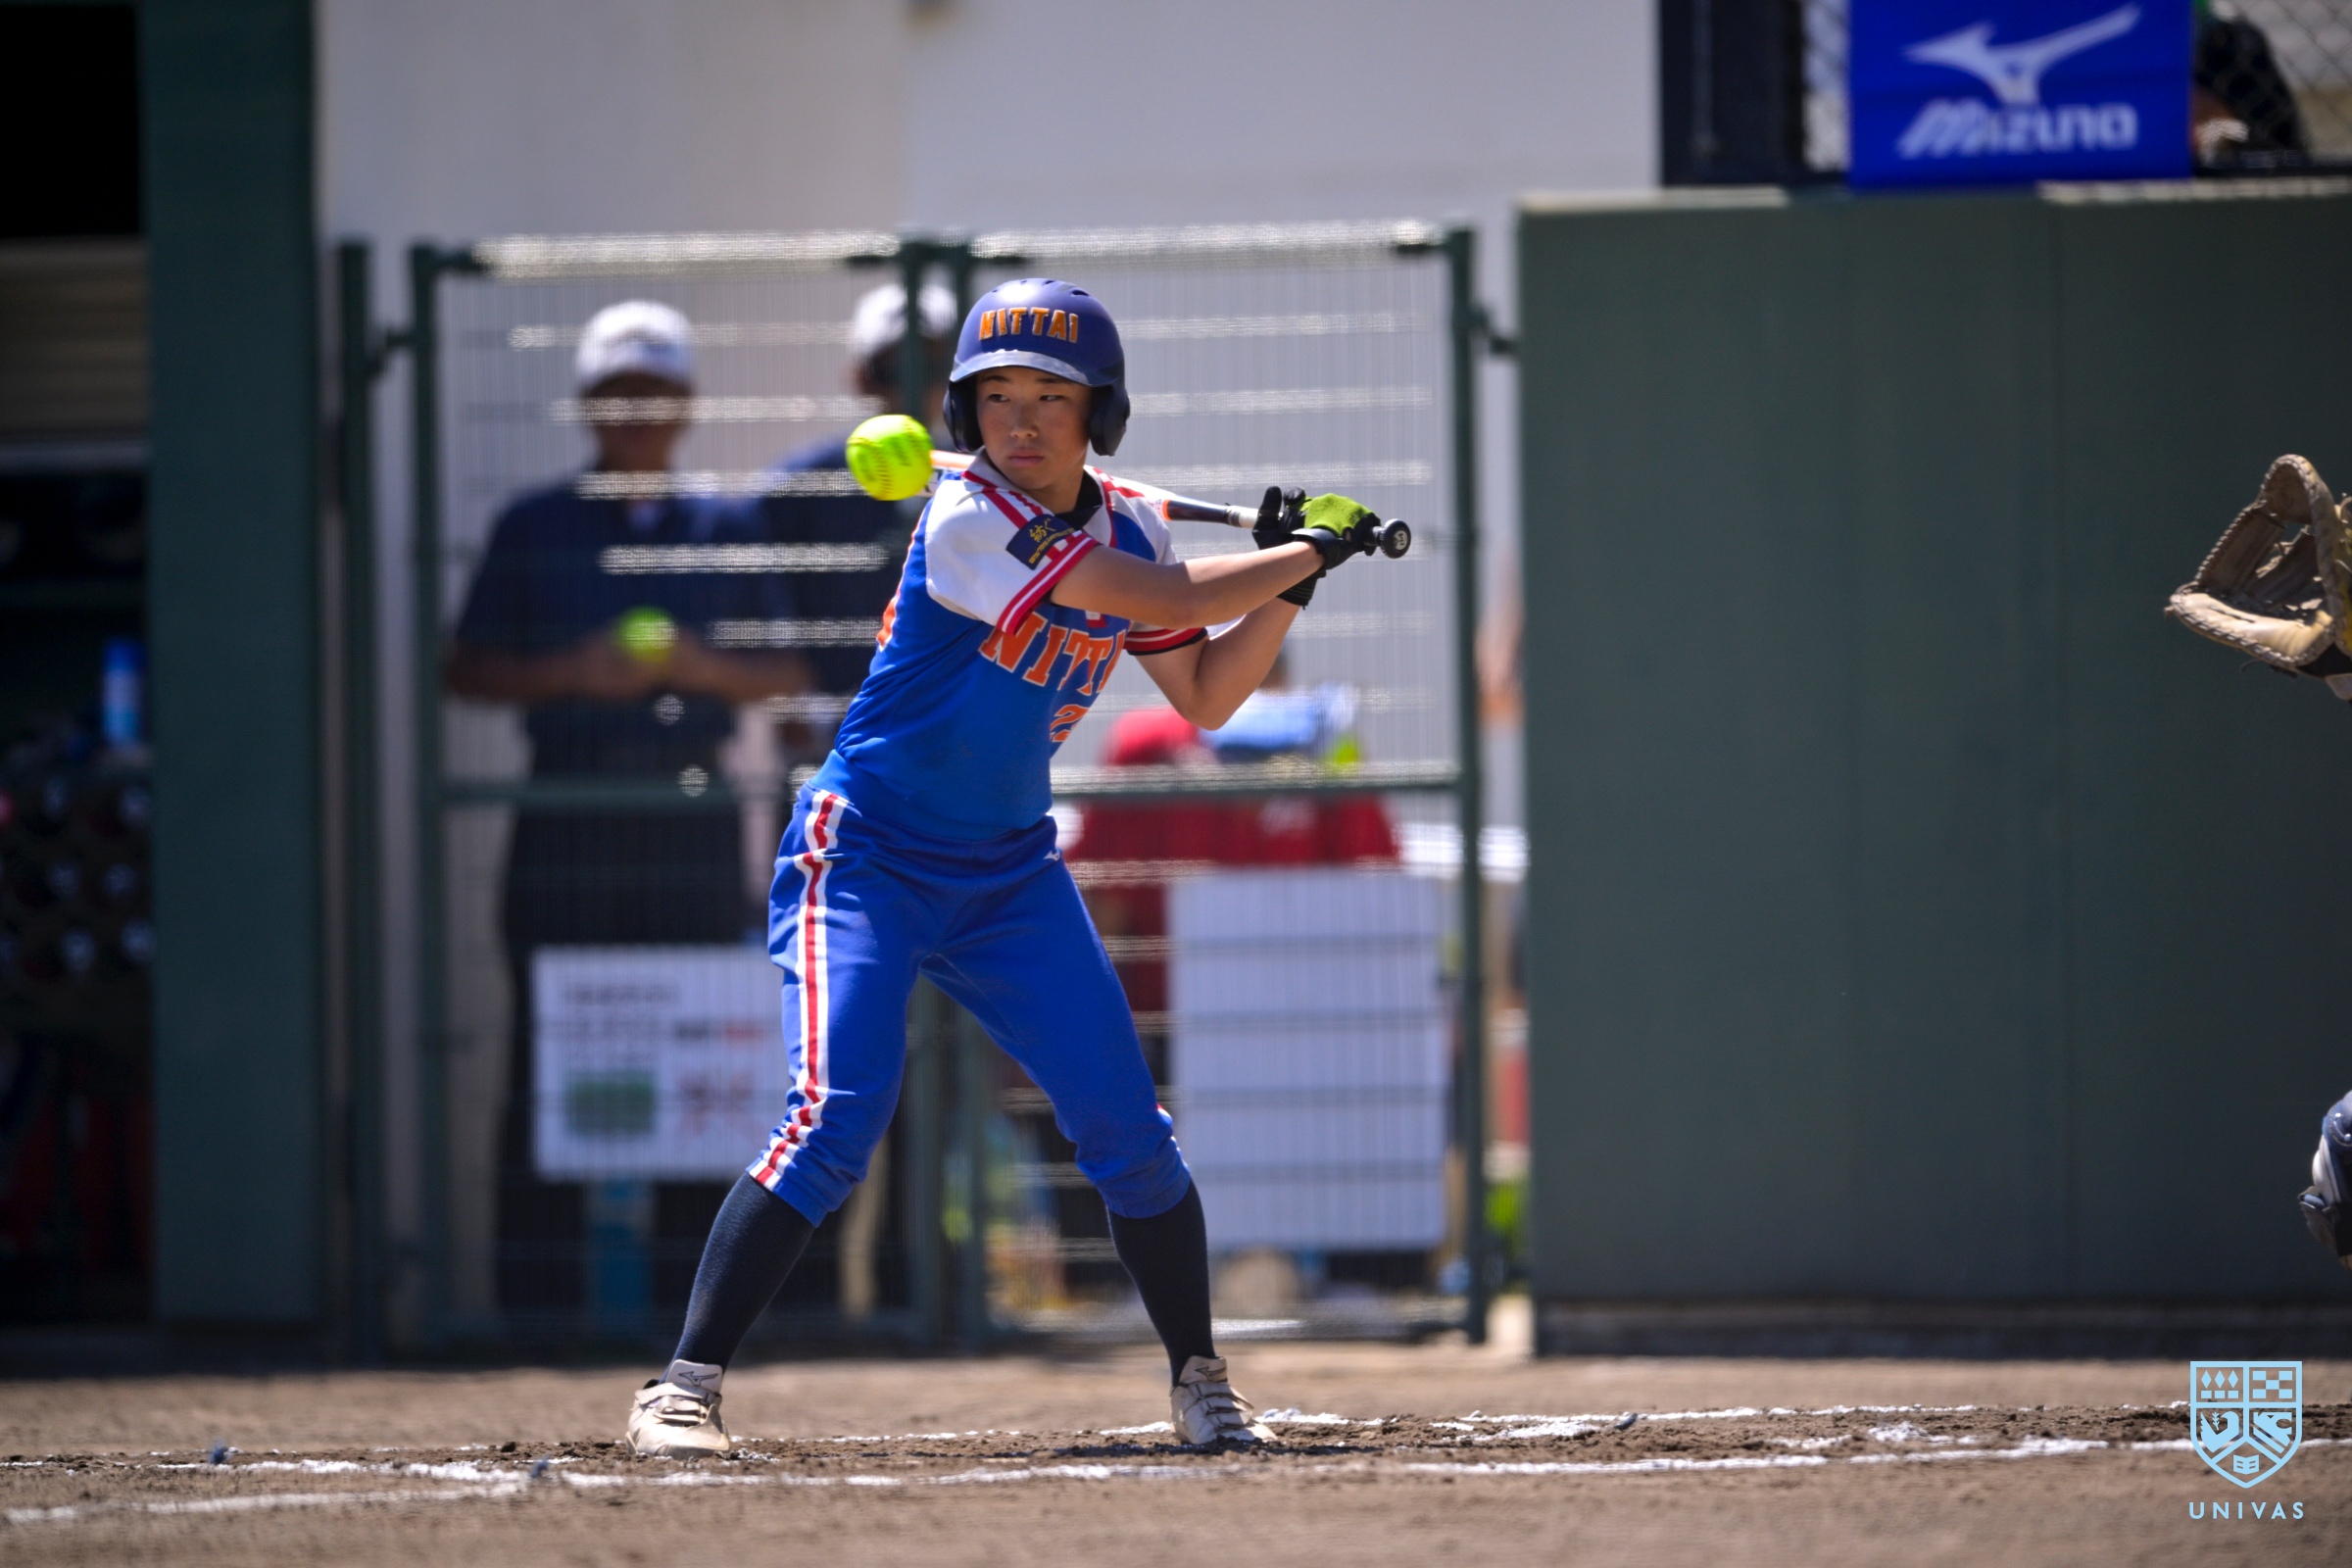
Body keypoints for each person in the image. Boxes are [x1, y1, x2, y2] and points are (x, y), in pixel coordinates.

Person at [623, 276, 1387, 1456]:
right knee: (834, 1117)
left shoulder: (1130, 524)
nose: (1020, 422)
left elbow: (1207, 693)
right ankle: (681, 1387)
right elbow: (1157, 595)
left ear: (1101, 415)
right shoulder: (965, 519)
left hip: (1006, 872)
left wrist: (1297, 581)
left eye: (1051, 398)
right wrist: (1293, 553)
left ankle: (1201, 1380)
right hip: (866, 854)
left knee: (1129, 1129)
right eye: (996, 397)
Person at [446, 301, 811, 1314]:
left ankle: (689, 1311)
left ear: (685, 404)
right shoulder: (533, 524)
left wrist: (699, 667)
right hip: (565, 808)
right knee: (548, 1046)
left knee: (694, 1046)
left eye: (654, 392)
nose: (637, 412)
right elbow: (465, 666)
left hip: (689, 811)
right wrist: (578, 672)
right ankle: (536, 1306)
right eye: (617, 393)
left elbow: (787, 670)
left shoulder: (726, 527)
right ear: (587, 404)